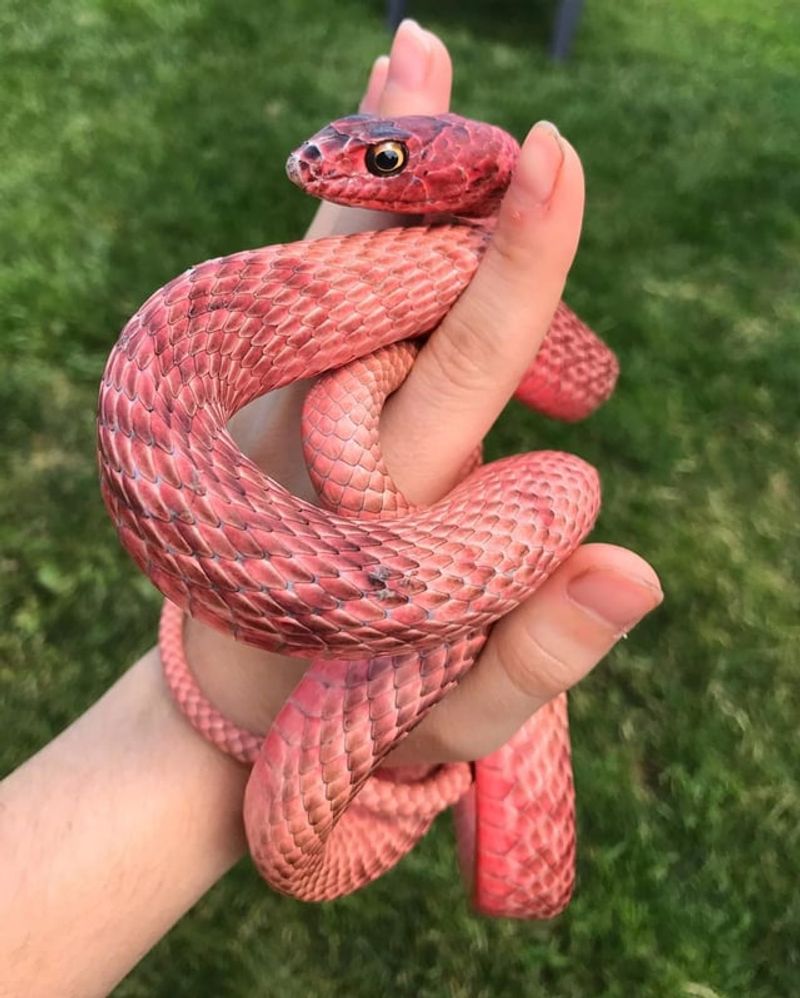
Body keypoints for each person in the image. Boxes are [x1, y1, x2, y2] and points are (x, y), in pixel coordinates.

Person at [0, 20, 662, 997]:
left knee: (560, 477)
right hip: (372, 596)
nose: (322, 169)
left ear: (468, 170)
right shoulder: (214, 338)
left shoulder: (466, 238)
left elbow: (586, 374)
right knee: (558, 481)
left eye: (382, 160)